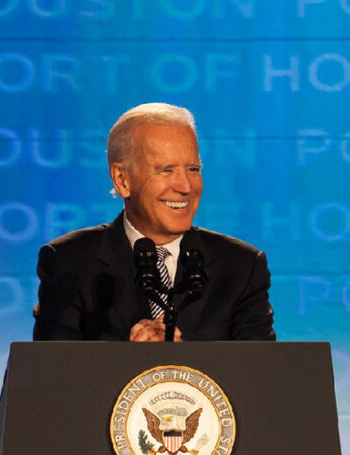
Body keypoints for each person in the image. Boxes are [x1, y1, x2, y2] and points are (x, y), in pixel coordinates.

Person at [32, 102, 276, 343]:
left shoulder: (241, 267)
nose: (186, 187)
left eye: (193, 168)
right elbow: (53, 376)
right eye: (166, 170)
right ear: (122, 179)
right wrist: (134, 364)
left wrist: (183, 366)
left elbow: (260, 377)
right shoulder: (68, 262)